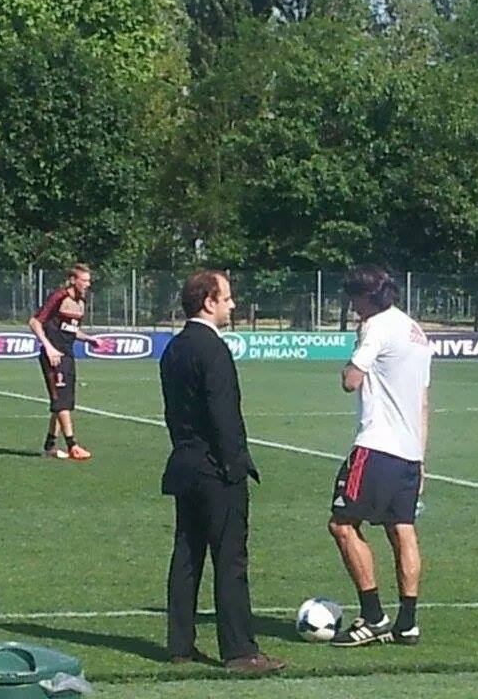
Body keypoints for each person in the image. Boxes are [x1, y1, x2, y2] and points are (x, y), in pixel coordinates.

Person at [159, 270, 285, 675]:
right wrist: (236, 465)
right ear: (208, 301)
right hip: (216, 469)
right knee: (230, 561)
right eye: (227, 298)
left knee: (187, 555)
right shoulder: (213, 349)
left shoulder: (175, 348)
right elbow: (224, 415)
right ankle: (240, 651)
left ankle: (180, 645)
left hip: (185, 462)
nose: (232, 305)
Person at [328, 265, 432, 647]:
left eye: (353, 299)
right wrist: (421, 459)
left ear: (366, 296)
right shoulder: (416, 331)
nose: (352, 306)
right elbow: (423, 402)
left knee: (341, 525)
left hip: (376, 445)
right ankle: (407, 623)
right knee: (401, 529)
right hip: (409, 452)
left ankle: (373, 617)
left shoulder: (376, 326)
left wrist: (352, 359)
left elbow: (350, 381)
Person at [28, 263, 99, 460]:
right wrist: (49, 347)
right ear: (73, 280)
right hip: (53, 357)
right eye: (84, 280)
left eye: (89, 281)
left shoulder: (81, 302)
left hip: (68, 356)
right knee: (61, 402)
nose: (88, 284)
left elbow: (71, 329)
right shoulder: (59, 297)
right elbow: (34, 322)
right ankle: (72, 445)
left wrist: (88, 339)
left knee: (63, 402)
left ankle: (50, 445)